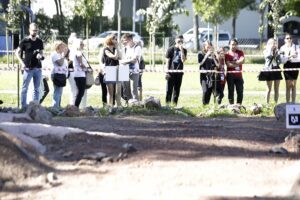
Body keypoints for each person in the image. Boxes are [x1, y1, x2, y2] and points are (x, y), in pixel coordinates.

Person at [15, 23, 44, 109]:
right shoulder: (25, 41)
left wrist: (40, 56)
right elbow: (17, 52)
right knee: (25, 89)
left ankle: (35, 107)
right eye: (33, 30)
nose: (34, 32)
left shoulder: (40, 41)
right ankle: (23, 107)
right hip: (28, 69)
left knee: (37, 89)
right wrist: (22, 63)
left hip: (38, 68)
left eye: (36, 30)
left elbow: (42, 52)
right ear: (29, 30)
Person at [258, 38, 282, 104]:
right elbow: (268, 57)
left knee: (276, 89)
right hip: (269, 69)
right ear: (268, 44)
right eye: (271, 43)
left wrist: (277, 56)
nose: (273, 44)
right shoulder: (266, 51)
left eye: (274, 43)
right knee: (268, 89)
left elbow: (279, 62)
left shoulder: (277, 50)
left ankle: (275, 104)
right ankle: (267, 104)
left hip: (276, 68)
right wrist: (271, 51)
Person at [165, 35, 187, 106]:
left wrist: (182, 50)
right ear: (175, 41)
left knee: (177, 91)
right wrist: (166, 72)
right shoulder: (170, 49)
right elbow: (167, 62)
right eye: (178, 41)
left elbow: (183, 60)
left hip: (179, 73)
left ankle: (174, 105)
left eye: (181, 41)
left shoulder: (184, 50)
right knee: (169, 90)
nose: (180, 43)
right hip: (171, 73)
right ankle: (167, 105)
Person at [120, 33, 142, 101]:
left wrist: (124, 61)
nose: (124, 42)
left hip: (134, 71)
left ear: (130, 39)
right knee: (126, 89)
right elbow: (120, 60)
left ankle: (136, 104)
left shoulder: (137, 48)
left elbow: (134, 60)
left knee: (134, 90)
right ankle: (128, 102)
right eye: (123, 41)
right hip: (124, 71)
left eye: (125, 40)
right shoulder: (124, 49)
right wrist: (128, 61)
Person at [102, 34, 122, 107]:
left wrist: (117, 48)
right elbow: (114, 57)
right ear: (110, 40)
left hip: (117, 69)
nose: (116, 41)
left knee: (118, 91)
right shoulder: (106, 50)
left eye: (116, 39)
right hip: (109, 70)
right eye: (115, 39)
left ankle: (118, 106)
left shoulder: (115, 49)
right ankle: (110, 107)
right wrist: (116, 48)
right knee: (111, 92)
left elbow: (120, 57)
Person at [280, 33, 300, 103]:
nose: (289, 39)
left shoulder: (296, 47)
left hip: (295, 66)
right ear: (284, 40)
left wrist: (294, 57)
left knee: (294, 86)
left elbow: (299, 59)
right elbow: (282, 60)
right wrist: (290, 56)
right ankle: (288, 103)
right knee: (288, 86)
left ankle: (293, 102)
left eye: (290, 38)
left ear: (292, 39)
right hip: (287, 66)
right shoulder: (282, 48)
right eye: (287, 38)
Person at [225, 38, 245, 105]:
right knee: (231, 91)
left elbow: (243, 60)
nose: (234, 46)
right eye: (232, 44)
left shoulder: (240, 52)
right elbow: (228, 65)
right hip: (230, 76)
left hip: (239, 75)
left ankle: (239, 105)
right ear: (229, 45)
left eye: (235, 44)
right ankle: (231, 106)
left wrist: (234, 62)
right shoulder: (227, 54)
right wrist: (237, 63)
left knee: (240, 91)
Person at [198, 41, 218, 105]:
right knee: (205, 90)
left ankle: (207, 105)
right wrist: (206, 55)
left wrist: (213, 56)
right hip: (204, 76)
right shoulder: (201, 54)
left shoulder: (213, 54)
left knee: (209, 91)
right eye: (207, 46)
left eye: (210, 46)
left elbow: (217, 65)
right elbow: (200, 63)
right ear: (204, 46)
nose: (208, 47)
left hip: (211, 76)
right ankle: (204, 104)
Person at [51, 41, 68, 108]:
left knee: (59, 92)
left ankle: (58, 106)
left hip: (62, 75)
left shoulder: (60, 55)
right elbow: (60, 63)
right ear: (58, 47)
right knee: (57, 92)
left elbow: (64, 64)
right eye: (63, 47)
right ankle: (55, 107)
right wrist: (63, 56)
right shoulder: (54, 54)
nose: (64, 49)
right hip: (57, 75)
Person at [72, 39, 89, 108]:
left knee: (80, 92)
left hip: (80, 74)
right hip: (79, 75)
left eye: (82, 44)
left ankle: (76, 107)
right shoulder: (78, 53)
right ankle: (75, 107)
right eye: (81, 44)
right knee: (80, 92)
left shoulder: (80, 53)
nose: (82, 45)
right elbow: (81, 64)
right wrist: (87, 70)